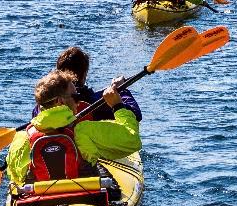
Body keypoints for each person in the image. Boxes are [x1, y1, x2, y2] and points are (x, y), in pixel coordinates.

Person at [7, 69, 142, 188]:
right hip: (85, 198)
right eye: (76, 96)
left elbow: (16, 180)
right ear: (60, 101)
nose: (79, 101)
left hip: (39, 205)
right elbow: (132, 140)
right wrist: (117, 105)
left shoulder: (21, 138)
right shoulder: (83, 131)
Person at [52, 45, 142, 123]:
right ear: (84, 74)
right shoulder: (96, 101)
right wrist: (121, 91)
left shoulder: (47, 102)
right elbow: (135, 115)